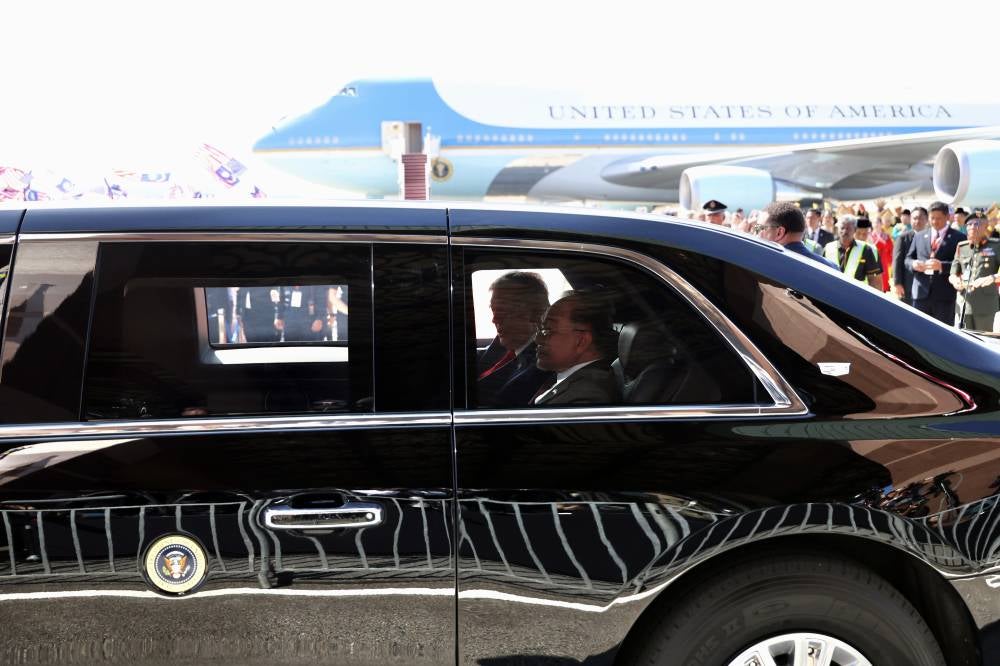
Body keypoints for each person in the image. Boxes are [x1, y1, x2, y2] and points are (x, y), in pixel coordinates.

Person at [477, 272, 554, 406]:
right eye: (494, 311)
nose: (494, 320)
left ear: (535, 313)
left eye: (503, 311)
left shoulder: (539, 366)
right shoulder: (505, 344)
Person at [533, 290, 619, 405]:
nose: (537, 339)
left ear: (581, 341)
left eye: (548, 330)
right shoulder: (570, 378)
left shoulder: (586, 396)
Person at [906, 201, 966, 324]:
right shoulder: (919, 236)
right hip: (921, 293)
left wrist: (942, 266)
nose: (934, 221)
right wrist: (914, 264)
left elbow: (963, 264)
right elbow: (907, 259)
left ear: (947, 217)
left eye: (939, 218)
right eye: (932, 218)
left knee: (943, 334)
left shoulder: (958, 237)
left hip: (944, 295)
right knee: (918, 329)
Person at [950, 215, 1000, 330]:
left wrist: (991, 278)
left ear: (986, 226)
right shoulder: (962, 247)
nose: (972, 227)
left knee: (981, 341)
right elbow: (953, 271)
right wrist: (954, 280)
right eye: (969, 224)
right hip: (964, 303)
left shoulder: (996, 246)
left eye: (976, 224)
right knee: (964, 340)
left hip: (985, 303)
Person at [758, 202, 839, 269]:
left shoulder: (762, 265)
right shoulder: (831, 268)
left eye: (760, 228)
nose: (757, 234)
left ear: (779, 232)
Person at [823, 215, 882, 288]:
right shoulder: (828, 248)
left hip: (857, 296)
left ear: (855, 230)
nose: (845, 231)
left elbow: (874, 280)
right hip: (831, 294)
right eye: (842, 228)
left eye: (848, 229)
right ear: (838, 229)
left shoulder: (866, 249)